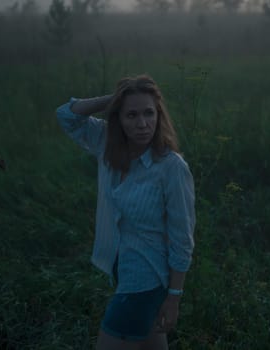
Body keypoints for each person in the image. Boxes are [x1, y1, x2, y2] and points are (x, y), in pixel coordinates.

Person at [56, 75, 195, 350]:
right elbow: (66, 116)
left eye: (148, 113)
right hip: (124, 272)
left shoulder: (171, 167)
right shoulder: (106, 142)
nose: (142, 124)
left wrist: (174, 298)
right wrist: (114, 98)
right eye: (131, 115)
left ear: (159, 115)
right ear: (118, 118)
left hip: (146, 280)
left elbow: (183, 238)